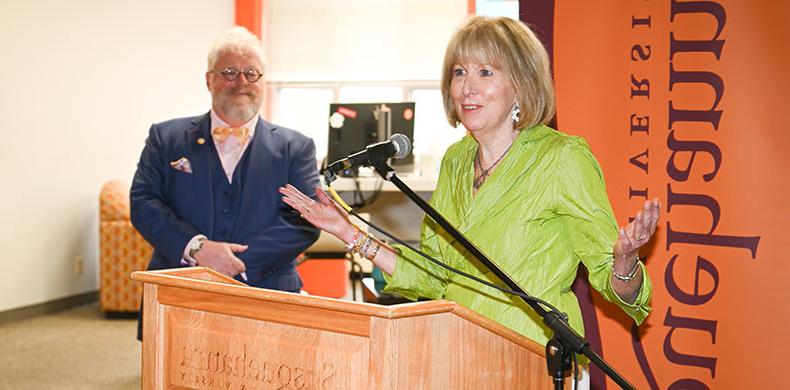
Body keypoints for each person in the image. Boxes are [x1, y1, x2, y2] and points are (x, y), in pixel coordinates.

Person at [279, 15, 660, 384]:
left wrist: (624, 263)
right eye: (459, 73)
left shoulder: (562, 158)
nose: (467, 88)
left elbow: (617, 287)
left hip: (535, 361)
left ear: (522, 84)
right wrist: (349, 233)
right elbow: (435, 274)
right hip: (459, 355)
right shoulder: (456, 161)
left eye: (486, 72)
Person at [131, 26, 320, 293]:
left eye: (251, 73)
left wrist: (236, 263)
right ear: (209, 80)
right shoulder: (164, 138)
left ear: (262, 82)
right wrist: (196, 248)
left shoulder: (297, 147)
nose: (241, 81)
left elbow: (306, 219)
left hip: (268, 289)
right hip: (179, 286)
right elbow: (143, 202)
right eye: (229, 72)